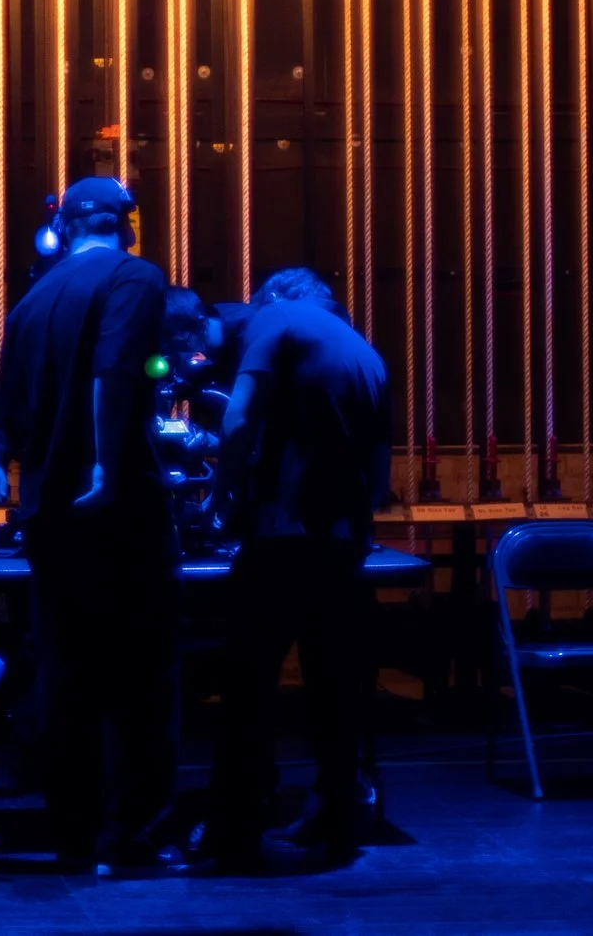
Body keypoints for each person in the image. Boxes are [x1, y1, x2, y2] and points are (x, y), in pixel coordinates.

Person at [0, 176, 176, 874]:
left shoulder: (33, 298)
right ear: (127, 223)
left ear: (65, 227)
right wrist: (105, 464)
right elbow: (116, 372)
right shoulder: (136, 278)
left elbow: (4, 398)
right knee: (140, 676)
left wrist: (0, 461)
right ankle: (131, 837)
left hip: (47, 513)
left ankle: (72, 831)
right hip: (113, 509)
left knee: (66, 674)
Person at [200, 266, 390, 871]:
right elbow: (379, 471)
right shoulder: (366, 351)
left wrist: (219, 496)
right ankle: (336, 817)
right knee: (332, 686)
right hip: (342, 541)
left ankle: (232, 831)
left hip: (286, 534)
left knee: (245, 682)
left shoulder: (273, 318)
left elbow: (239, 417)